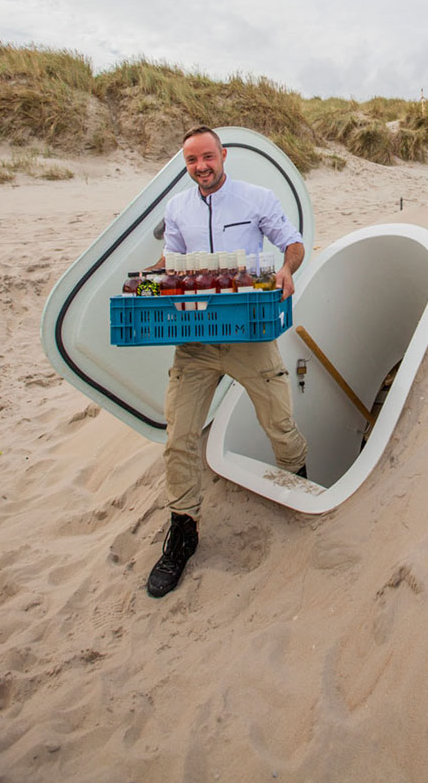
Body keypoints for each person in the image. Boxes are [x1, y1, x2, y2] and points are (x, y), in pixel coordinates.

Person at [146, 125, 308, 598]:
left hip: (250, 332)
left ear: (223, 156)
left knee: (278, 421)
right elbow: (171, 260)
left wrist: (286, 268)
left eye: (208, 157)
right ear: (186, 164)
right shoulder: (177, 208)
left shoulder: (256, 198)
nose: (201, 167)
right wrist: (145, 280)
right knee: (179, 435)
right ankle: (183, 531)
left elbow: (291, 242)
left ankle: (298, 484)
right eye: (192, 161)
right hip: (195, 338)